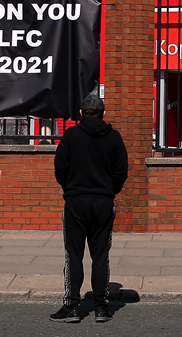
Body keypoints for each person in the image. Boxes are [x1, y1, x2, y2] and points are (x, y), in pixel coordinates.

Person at [50, 91, 129, 323]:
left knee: (73, 255)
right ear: (103, 114)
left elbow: (60, 169)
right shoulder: (114, 138)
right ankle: (101, 308)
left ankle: (72, 306)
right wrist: (109, 190)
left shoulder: (71, 136)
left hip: (76, 201)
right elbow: (121, 172)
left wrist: (71, 188)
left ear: (82, 114)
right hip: (103, 201)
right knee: (100, 256)